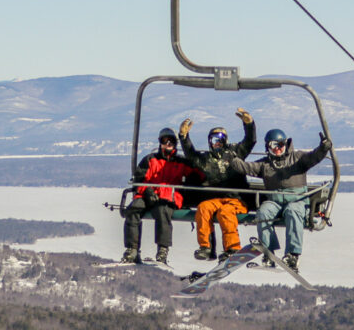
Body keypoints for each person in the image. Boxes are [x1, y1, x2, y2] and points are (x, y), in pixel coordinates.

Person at [227, 128, 332, 273]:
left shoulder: (297, 159)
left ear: (286, 144)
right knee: (263, 213)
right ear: (268, 147)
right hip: (275, 200)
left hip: (297, 199)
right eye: (273, 145)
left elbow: (314, 157)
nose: (278, 149)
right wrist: (232, 159)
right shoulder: (265, 165)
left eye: (281, 145)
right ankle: (268, 252)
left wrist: (323, 148)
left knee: (293, 212)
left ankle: (293, 254)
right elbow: (246, 167)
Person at [177, 108, 256, 262]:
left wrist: (249, 124)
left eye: (220, 139)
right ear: (209, 142)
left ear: (225, 140)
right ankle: (205, 247)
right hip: (215, 200)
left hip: (236, 199)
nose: (217, 143)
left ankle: (232, 247)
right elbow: (191, 155)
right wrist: (183, 137)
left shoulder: (235, 153)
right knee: (203, 208)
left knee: (225, 213)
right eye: (214, 140)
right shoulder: (206, 159)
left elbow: (250, 141)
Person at [123, 127, 202, 265]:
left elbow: (199, 173)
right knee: (134, 208)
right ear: (160, 143)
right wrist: (146, 191)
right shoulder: (150, 160)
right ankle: (132, 248)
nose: (168, 144)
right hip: (148, 195)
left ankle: (162, 250)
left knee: (162, 212)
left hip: (168, 197)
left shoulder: (181, 162)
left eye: (171, 141)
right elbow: (138, 180)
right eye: (165, 141)